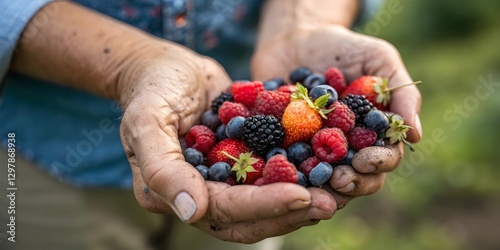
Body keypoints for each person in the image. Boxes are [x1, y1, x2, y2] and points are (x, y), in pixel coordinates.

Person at [0, 0, 422, 249]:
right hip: (45, 151)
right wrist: (131, 64)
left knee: (271, 206)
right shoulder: (240, 138)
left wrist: (304, 22)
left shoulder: (276, 130)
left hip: (238, 140)